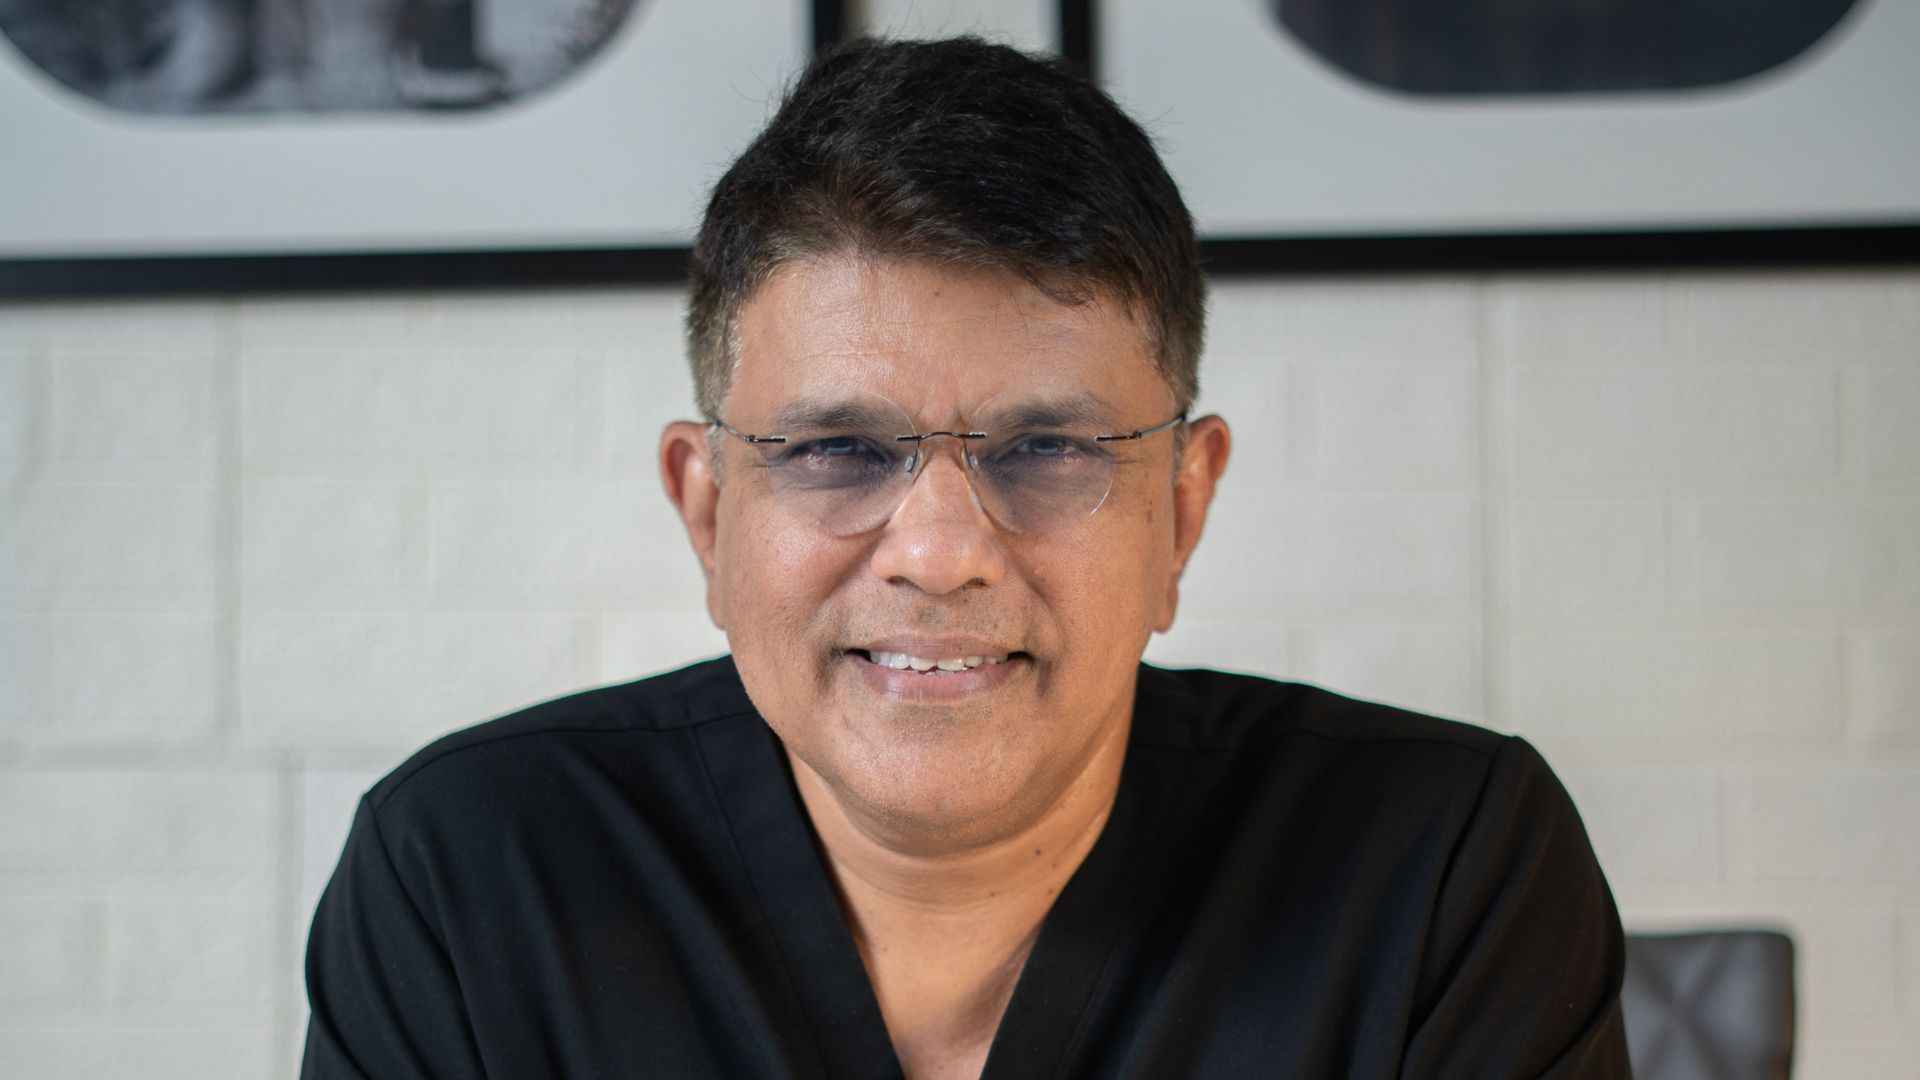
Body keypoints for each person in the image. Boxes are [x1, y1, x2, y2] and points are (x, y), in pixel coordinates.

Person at [300, 37, 1630, 1079]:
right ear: (707, 512)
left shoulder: (1442, 868)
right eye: (838, 449)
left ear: (1182, 508)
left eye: (1046, 449)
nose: (940, 554)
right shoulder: (468, 877)